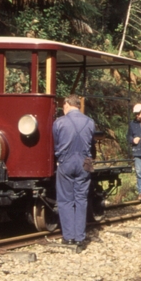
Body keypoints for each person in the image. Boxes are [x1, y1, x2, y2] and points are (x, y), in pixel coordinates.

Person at [52, 94, 95, 252]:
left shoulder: (59, 122)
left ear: (67, 105)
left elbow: (55, 144)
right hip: (85, 162)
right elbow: (92, 143)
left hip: (66, 162)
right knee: (81, 200)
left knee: (65, 200)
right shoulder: (90, 122)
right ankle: (80, 238)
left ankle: (68, 236)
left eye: (63, 106)